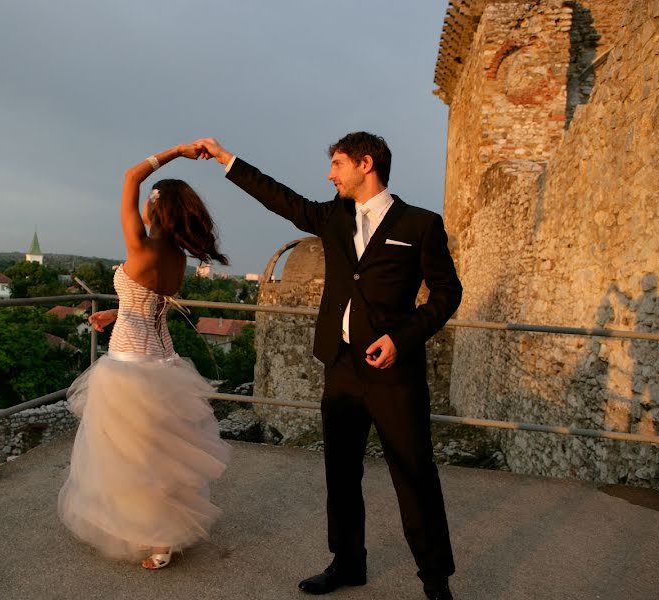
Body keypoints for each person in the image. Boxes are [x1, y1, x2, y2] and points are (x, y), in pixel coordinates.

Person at [195, 133, 461, 599]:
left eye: (337, 164)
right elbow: (280, 198)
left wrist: (402, 339)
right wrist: (224, 158)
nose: (330, 174)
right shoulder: (333, 216)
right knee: (340, 473)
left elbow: (447, 293)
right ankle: (347, 563)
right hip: (340, 368)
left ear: (366, 163)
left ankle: (435, 581)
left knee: (415, 475)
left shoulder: (421, 224)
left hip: (394, 374)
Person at [58, 143, 231, 570]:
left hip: (129, 367)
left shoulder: (141, 248)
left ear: (156, 211)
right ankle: (163, 537)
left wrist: (179, 151)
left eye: (151, 202)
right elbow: (149, 299)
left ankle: (153, 537)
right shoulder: (176, 259)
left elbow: (129, 176)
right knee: (160, 456)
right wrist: (116, 311)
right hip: (164, 364)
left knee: (130, 460)